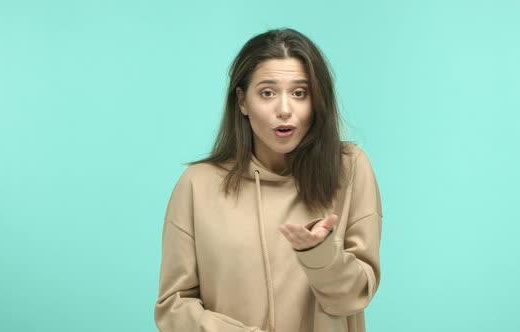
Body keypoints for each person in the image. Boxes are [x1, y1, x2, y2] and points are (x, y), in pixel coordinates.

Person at [154, 28, 383, 332]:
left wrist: (320, 254)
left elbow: (353, 297)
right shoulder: (197, 184)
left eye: (300, 93)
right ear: (242, 101)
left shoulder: (350, 169)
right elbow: (173, 307)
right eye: (267, 93)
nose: (285, 109)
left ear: (317, 101)